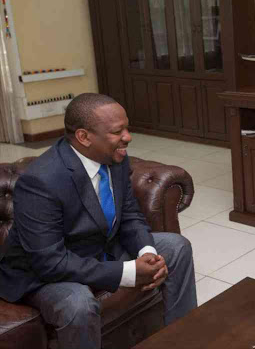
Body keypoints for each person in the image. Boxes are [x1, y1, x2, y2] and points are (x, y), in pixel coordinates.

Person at [0, 93, 197, 349]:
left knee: (176, 247)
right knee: (77, 304)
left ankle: (184, 340)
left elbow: (129, 215)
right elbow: (49, 261)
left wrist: (147, 252)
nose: (128, 137)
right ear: (84, 137)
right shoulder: (41, 181)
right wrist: (129, 272)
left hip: (97, 248)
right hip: (44, 272)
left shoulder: (114, 157)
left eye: (127, 127)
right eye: (118, 131)